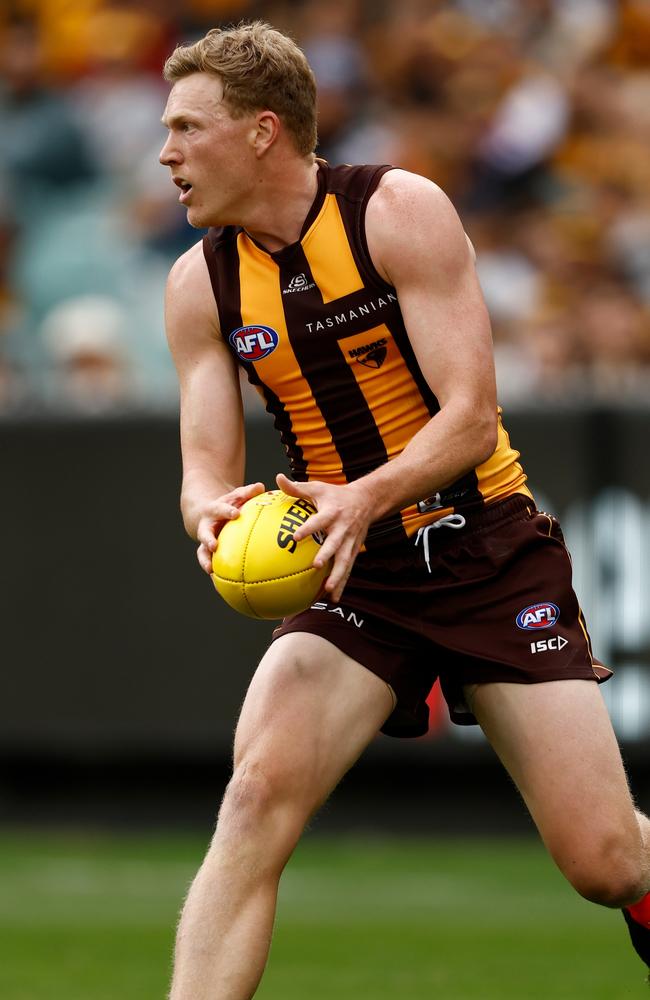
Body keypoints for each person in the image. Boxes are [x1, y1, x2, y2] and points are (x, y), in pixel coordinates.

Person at [159, 21, 650, 999]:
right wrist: (213, 517)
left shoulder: (395, 210)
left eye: (185, 128)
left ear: (262, 131)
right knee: (253, 798)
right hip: (350, 572)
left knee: (606, 862)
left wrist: (366, 495)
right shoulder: (198, 282)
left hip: (482, 546)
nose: (165, 154)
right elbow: (202, 470)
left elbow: (470, 420)